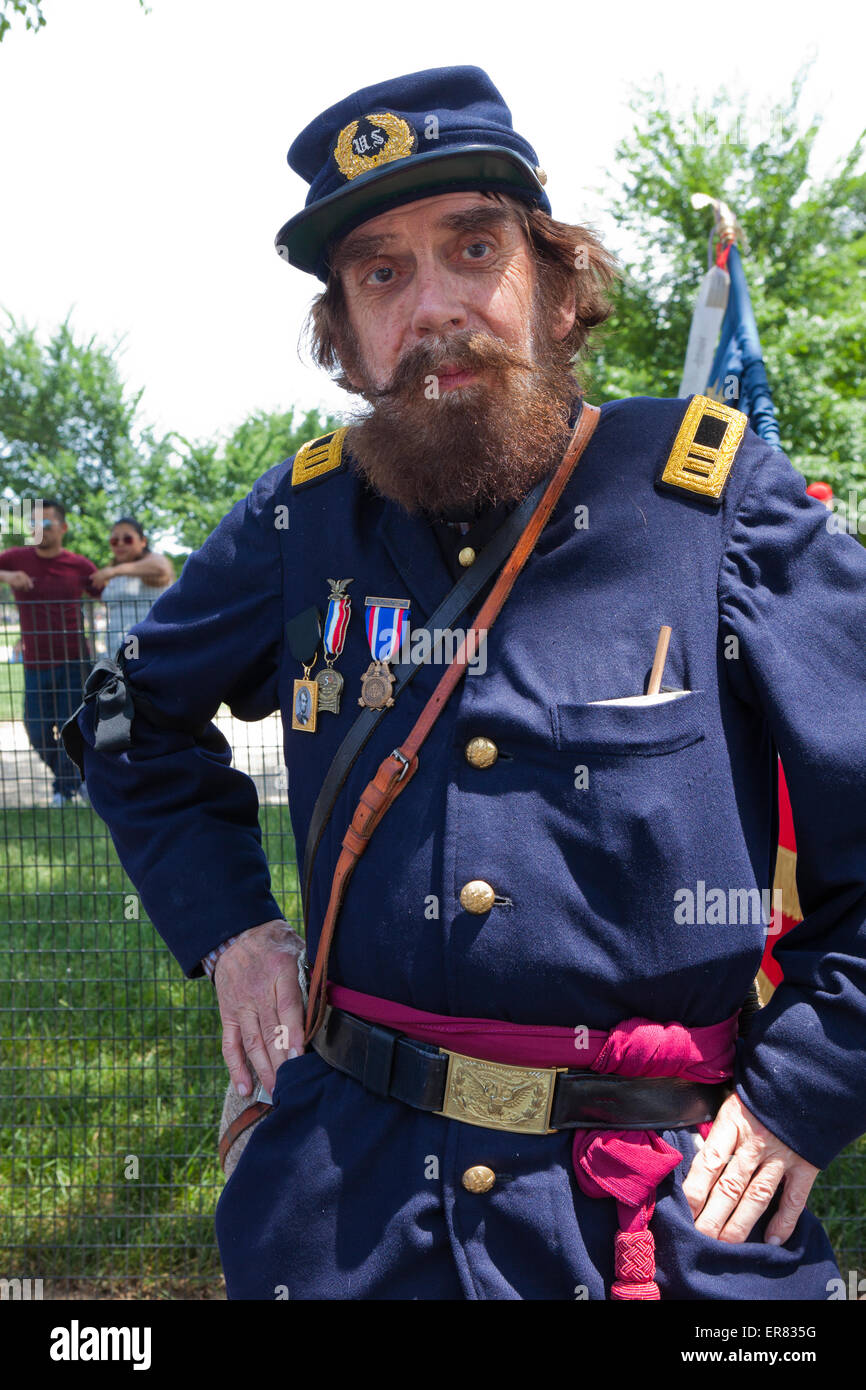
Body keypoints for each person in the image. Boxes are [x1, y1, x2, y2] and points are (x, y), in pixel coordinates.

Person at [62, 66, 866, 1301]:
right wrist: (228, 925)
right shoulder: (301, 516)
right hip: (342, 1208)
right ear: (343, 332)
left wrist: (803, 1092)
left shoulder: (710, 504)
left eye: (472, 248)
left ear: (552, 285)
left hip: (650, 1213)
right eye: (380, 273)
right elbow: (127, 722)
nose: (431, 307)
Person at [0, 499, 98, 805]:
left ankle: (64, 790)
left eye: (46, 524)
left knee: (71, 727)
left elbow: (106, 588)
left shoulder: (79, 564)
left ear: (63, 528)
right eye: (33, 524)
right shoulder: (15, 558)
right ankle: (72, 781)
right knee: (37, 729)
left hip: (72, 659)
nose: (38, 530)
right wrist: (6, 576)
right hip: (34, 662)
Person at [88, 518, 174, 659]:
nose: (120, 543)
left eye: (128, 539)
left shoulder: (153, 561)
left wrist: (114, 571)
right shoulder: (116, 572)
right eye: (114, 541)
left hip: (147, 650)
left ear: (143, 541)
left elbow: (161, 567)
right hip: (117, 652)